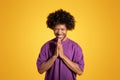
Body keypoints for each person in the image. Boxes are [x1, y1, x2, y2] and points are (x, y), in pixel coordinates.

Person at [36, 9, 84, 80]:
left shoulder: (75, 47)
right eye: (56, 29)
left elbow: (80, 71)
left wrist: (63, 56)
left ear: (67, 29)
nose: (59, 32)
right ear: (52, 29)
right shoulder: (46, 46)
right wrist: (54, 56)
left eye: (62, 29)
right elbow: (40, 70)